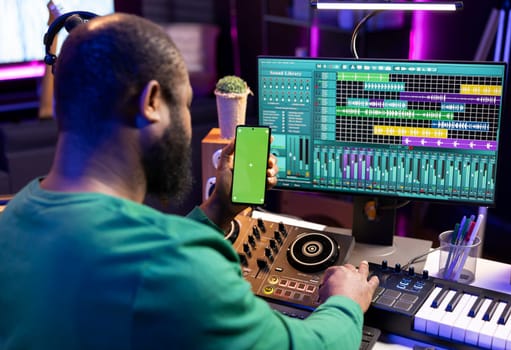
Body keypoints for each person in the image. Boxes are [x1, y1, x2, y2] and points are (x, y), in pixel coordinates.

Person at [0, 13, 379, 350]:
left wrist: (218, 208)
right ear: (151, 101)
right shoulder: (179, 264)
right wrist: (345, 304)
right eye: (182, 102)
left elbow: (121, 259)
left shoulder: (14, 215)